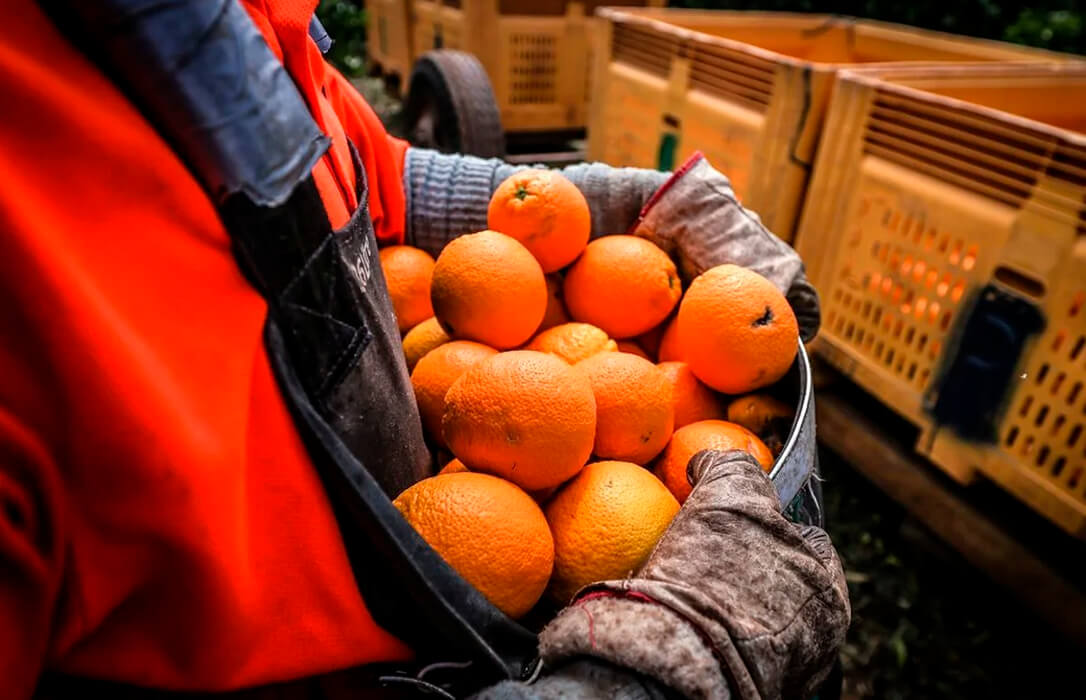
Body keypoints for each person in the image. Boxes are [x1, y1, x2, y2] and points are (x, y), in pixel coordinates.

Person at [0, 0, 849, 698]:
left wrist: (608, 206)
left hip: (470, 514)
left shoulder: (220, 20)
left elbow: (366, 177)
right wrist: (636, 680)